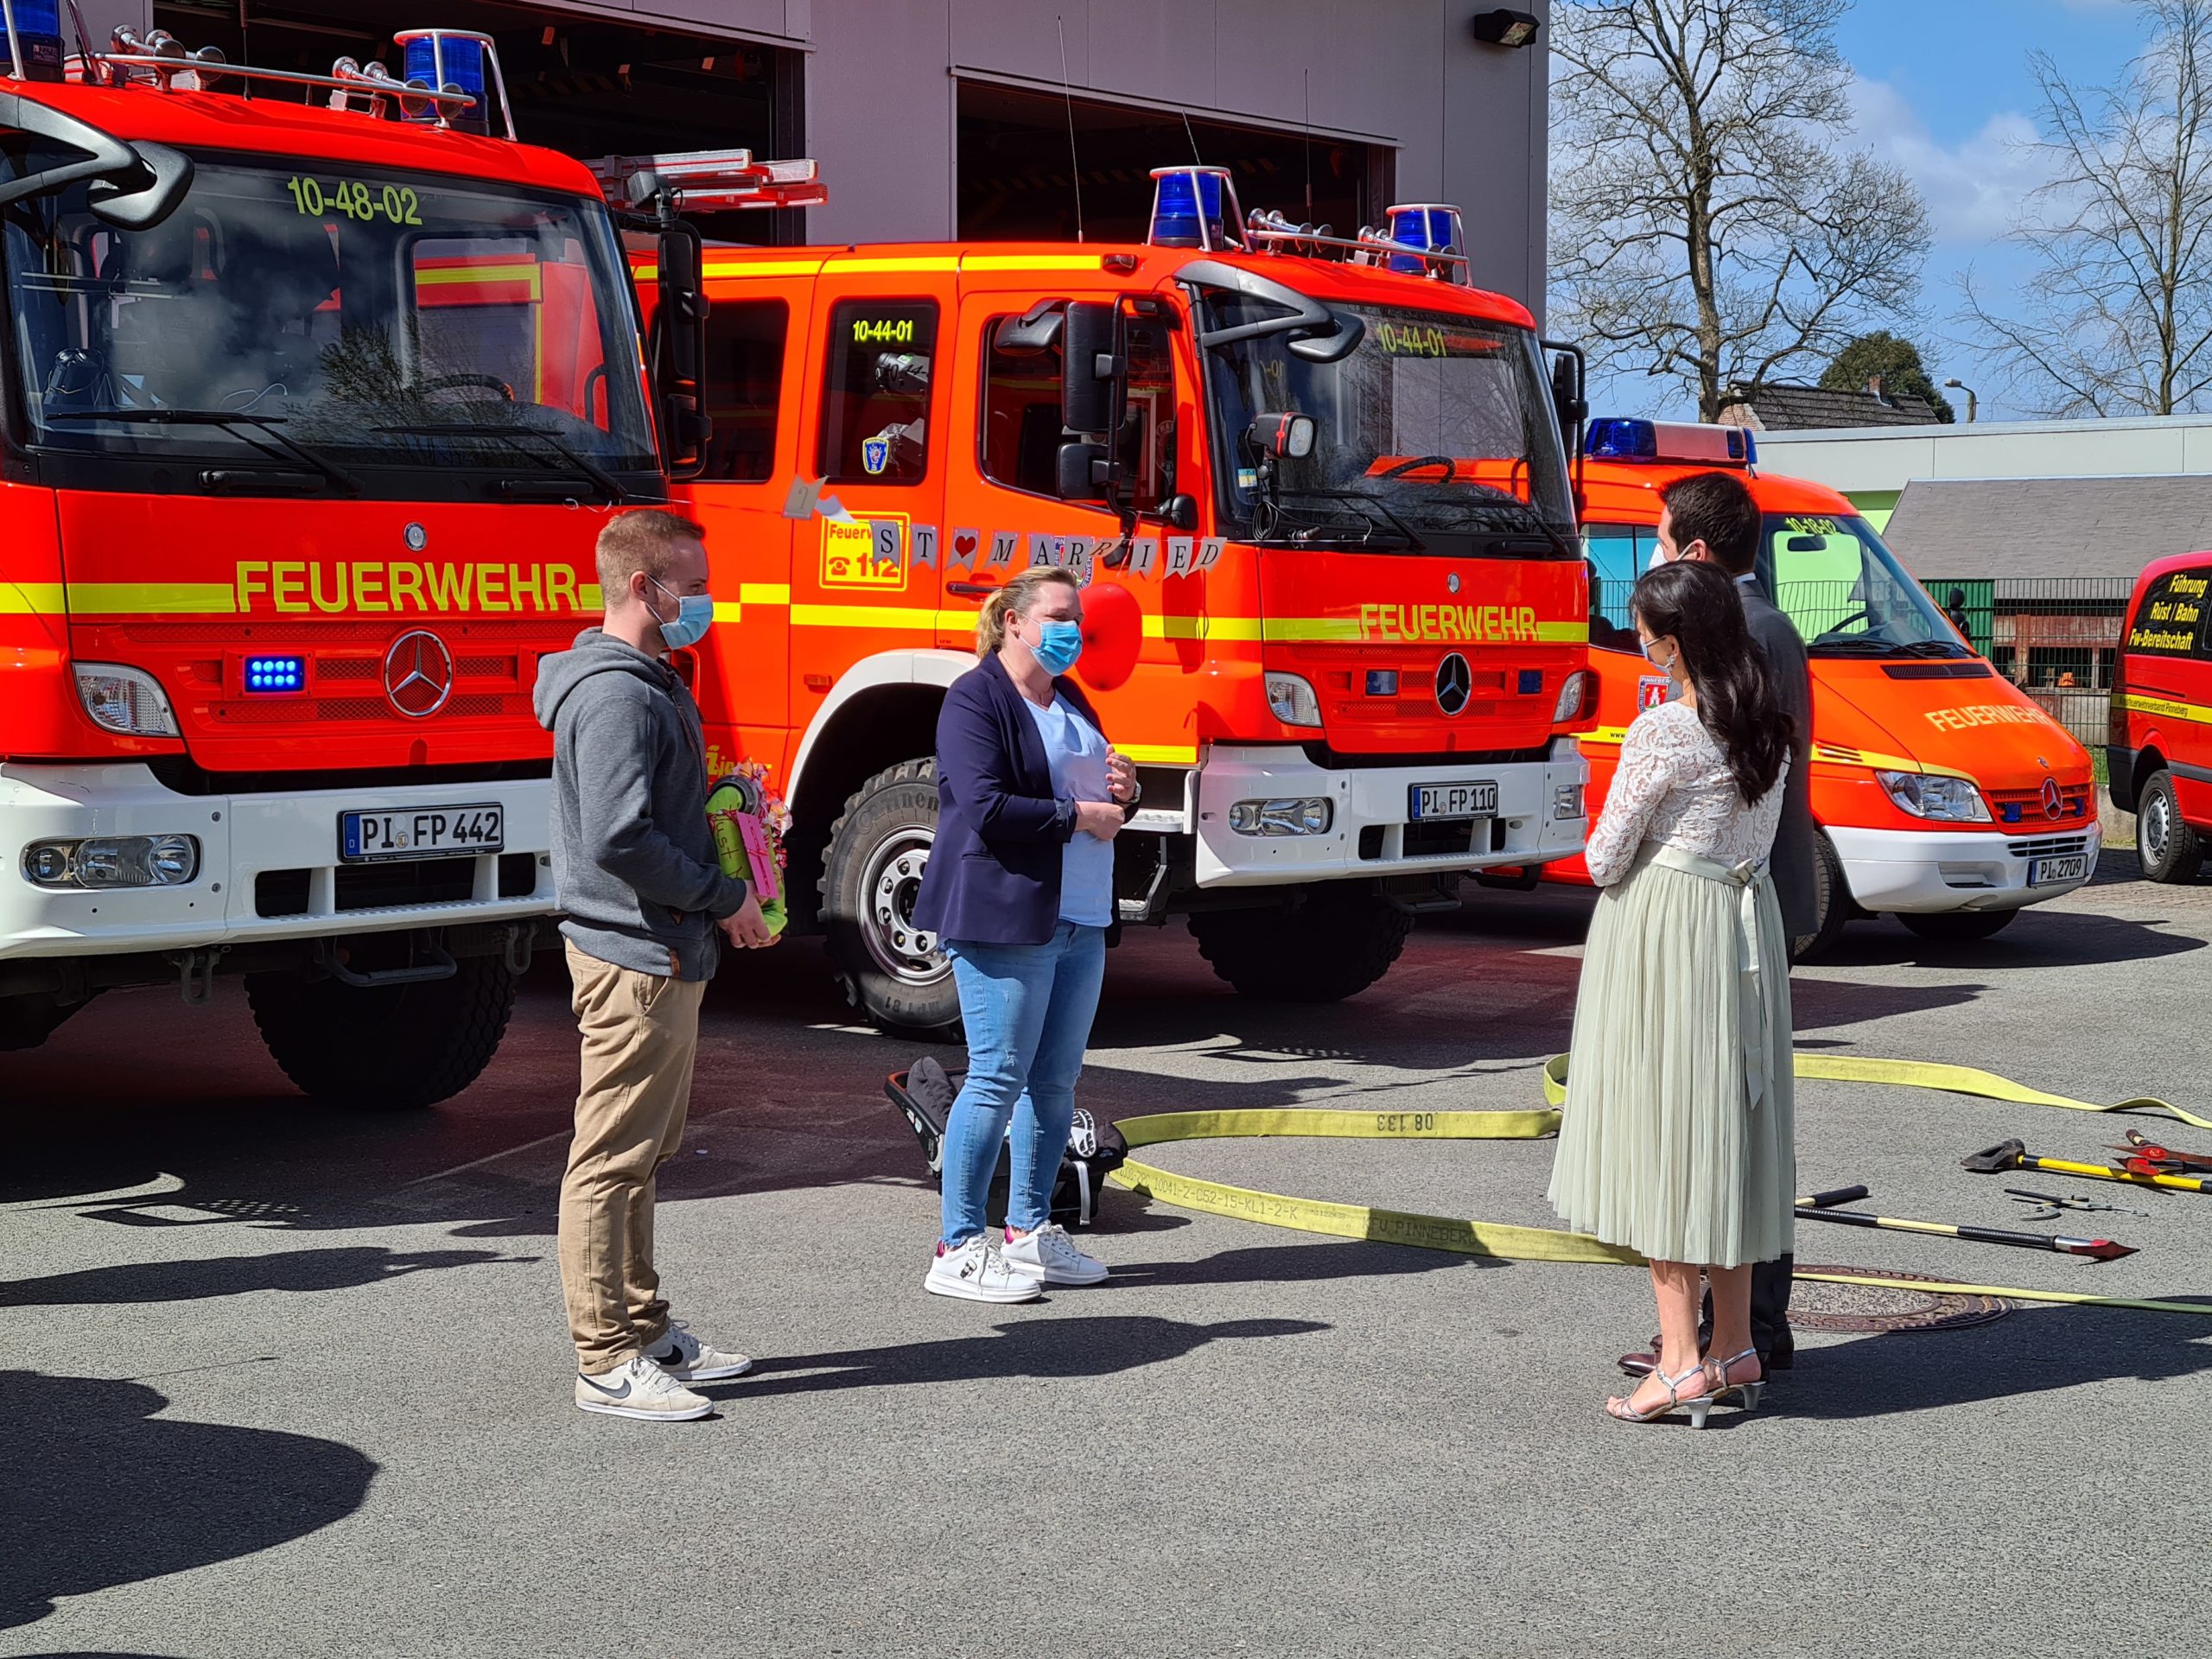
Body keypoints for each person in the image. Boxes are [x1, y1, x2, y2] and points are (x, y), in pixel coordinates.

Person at [533, 508, 777, 1423]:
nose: (707, 601)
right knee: (612, 1159)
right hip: (636, 953)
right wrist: (723, 894)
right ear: (645, 586)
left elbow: (648, 818)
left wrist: (730, 812)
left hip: (659, 948)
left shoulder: (646, 681)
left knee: (641, 1153)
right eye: (695, 585)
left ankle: (641, 1327)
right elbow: (619, 837)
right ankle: (606, 1359)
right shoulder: (618, 695)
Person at [1546, 558, 1798, 1426]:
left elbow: (1602, 857)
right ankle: (1734, 1344)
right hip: (1744, 921)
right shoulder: (1767, 725)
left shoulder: (1663, 731)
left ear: (1676, 644)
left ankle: (1682, 1360)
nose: (1639, 644)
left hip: (1670, 931)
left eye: (1645, 633)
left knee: (1664, 1135)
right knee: (1728, 1131)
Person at [911, 565, 1139, 1302]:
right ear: (1013, 621)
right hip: (1005, 916)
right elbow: (984, 806)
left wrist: (1124, 790)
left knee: (1054, 1082)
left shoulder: (1068, 697)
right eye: (1059, 616)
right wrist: (1080, 816)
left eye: (1077, 619)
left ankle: (1030, 1233)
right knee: (997, 1075)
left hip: (1080, 915)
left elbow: (1092, 793)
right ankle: (957, 1246)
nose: (1073, 631)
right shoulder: (974, 698)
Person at [1650, 468, 1814, 1374]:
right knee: (1723, 1107)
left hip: (1735, 899)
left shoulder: (1750, 629)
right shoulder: (1757, 624)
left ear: (1697, 551)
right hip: (1743, 893)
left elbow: (1749, 790)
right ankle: (1727, 1328)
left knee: (1734, 1114)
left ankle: (1745, 1328)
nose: (1654, 558)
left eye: (1660, 541)